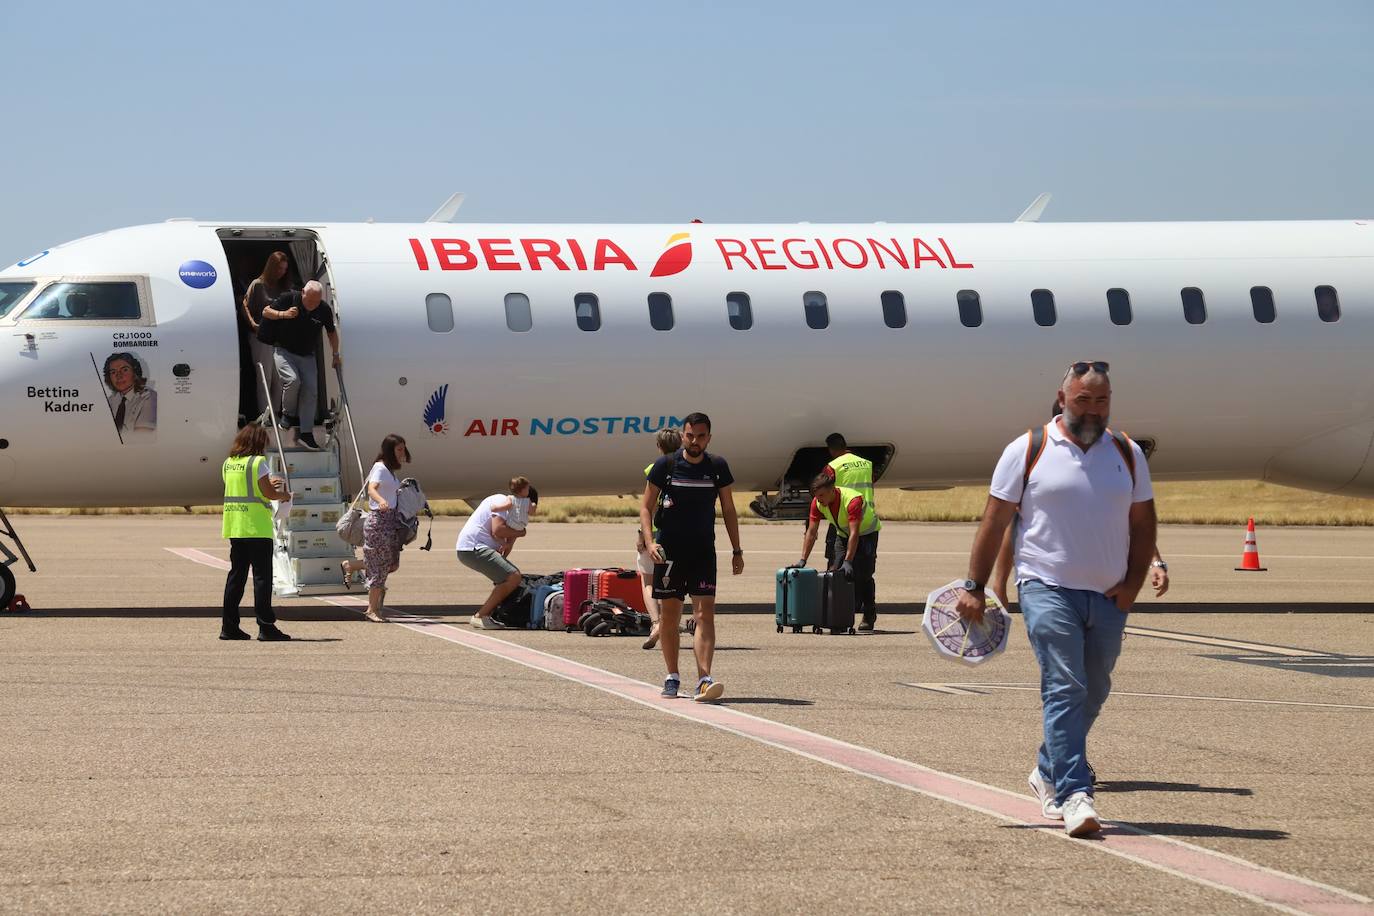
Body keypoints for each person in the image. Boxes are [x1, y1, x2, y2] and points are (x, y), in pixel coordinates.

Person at [955, 361, 1155, 838]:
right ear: (1062, 398)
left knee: (1096, 686)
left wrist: (1132, 585)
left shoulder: (1126, 452)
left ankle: (1047, 767)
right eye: (1083, 400)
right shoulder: (1028, 449)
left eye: (1101, 401)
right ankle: (1073, 793)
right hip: (1046, 587)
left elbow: (1144, 523)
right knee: (1066, 685)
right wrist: (976, 586)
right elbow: (995, 521)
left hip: (1108, 595)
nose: (1092, 409)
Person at [991, 402, 1170, 608]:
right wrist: (999, 585)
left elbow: (1134, 519)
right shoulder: (1039, 462)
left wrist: (1155, 563)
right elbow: (1010, 530)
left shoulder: (1110, 460)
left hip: (1104, 592)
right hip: (1049, 587)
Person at [641, 412, 743, 703]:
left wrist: (737, 550)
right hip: (669, 552)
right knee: (671, 617)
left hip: (702, 552)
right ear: (682, 435)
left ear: (708, 438)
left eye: (700, 436)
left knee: (703, 615)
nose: (694, 441)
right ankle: (672, 676)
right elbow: (646, 507)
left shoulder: (717, 466)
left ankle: (704, 678)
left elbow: (729, 510)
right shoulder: (666, 465)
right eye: (690, 435)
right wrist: (649, 542)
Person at [220, 422, 292, 641]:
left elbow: (243, 487)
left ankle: (229, 626)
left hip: (235, 526)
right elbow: (268, 493)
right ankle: (266, 626)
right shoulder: (259, 462)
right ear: (258, 442)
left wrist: (267, 484)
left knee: (236, 577)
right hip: (257, 529)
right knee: (262, 579)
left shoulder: (229, 463)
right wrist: (284, 495)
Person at [261, 280, 340, 450]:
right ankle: (288, 414)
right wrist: (284, 314)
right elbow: (266, 312)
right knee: (293, 380)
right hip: (284, 351)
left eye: (316, 302)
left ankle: (306, 432)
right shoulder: (289, 299)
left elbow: (332, 333)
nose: (312, 305)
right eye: (309, 301)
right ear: (303, 292)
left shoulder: (323, 309)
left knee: (311, 390)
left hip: (307, 355)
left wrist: (335, 355)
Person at [797, 473, 881, 627]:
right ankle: (838, 615)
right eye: (817, 496)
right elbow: (811, 531)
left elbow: (855, 533)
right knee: (836, 572)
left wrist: (849, 561)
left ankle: (869, 614)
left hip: (866, 534)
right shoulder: (817, 502)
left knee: (863, 575)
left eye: (822, 495)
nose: (819, 499)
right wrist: (803, 559)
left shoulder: (852, 501)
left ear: (832, 490)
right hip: (842, 534)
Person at [342, 434, 411, 622]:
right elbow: (372, 488)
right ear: (389, 450)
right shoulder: (380, 468)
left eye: (403, 448)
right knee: (379, 566)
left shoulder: (390, 471)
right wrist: (381, 501)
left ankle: (352, 566)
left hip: (390, 521)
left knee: (390, 564)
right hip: (379, 521)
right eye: (398, 449)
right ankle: (372, 610)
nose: (402, 452)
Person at [818, 433, 877, 628]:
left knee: (836, 568)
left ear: (831, 449)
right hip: (866, 522)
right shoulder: (866, 463)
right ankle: (867, 615)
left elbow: (824, 485)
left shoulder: (832, 466)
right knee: (865, 573)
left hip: (844, 522)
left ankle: (837, 610)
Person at [459, 476, 534, 628]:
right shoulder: (503, 502)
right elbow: (498, 530)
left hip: (472, 547)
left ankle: (495, 613)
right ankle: (481, 616)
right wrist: (521, 533)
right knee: (513, 577)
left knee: (509, 577)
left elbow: (508, 539)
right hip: (474, 547)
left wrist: (512, 540)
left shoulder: (514, 512)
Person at [636, 427, 682, 650]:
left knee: (648, 580)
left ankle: (656, 623)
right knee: (673, 581)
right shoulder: (688, 467)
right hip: (680, 533)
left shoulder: (653, 469)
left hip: (654, 533)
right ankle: (670, 623)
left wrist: (641, 535)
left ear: (659, 446)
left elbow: (648, 506)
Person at [241, 251, 292, 416]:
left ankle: (275, 413)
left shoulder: (284, 286)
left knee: (279, 378)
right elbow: (244, 306)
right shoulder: (258, 284)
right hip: (261, 338)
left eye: (284, 269)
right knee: (265, 377)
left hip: (279, 339)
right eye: (279, 268)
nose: (281, 272)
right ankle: (265, 415)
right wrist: (253, 324)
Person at [104, 352, 157, 437]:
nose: (119, 376)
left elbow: (141, 438)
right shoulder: (110, 401)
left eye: (124, 370)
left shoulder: (149, 398)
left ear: (135, 372)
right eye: (113, 372)